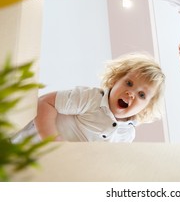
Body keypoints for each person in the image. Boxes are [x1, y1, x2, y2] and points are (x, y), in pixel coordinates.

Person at [11, 52, 165, 143]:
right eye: (129, 83)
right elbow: (45, 103)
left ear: (147, 107)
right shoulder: (92, 99)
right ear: (114, 80)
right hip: (28, 144)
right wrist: (53, 143)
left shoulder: (127, 135)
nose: (131, 93)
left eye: (142, 95)